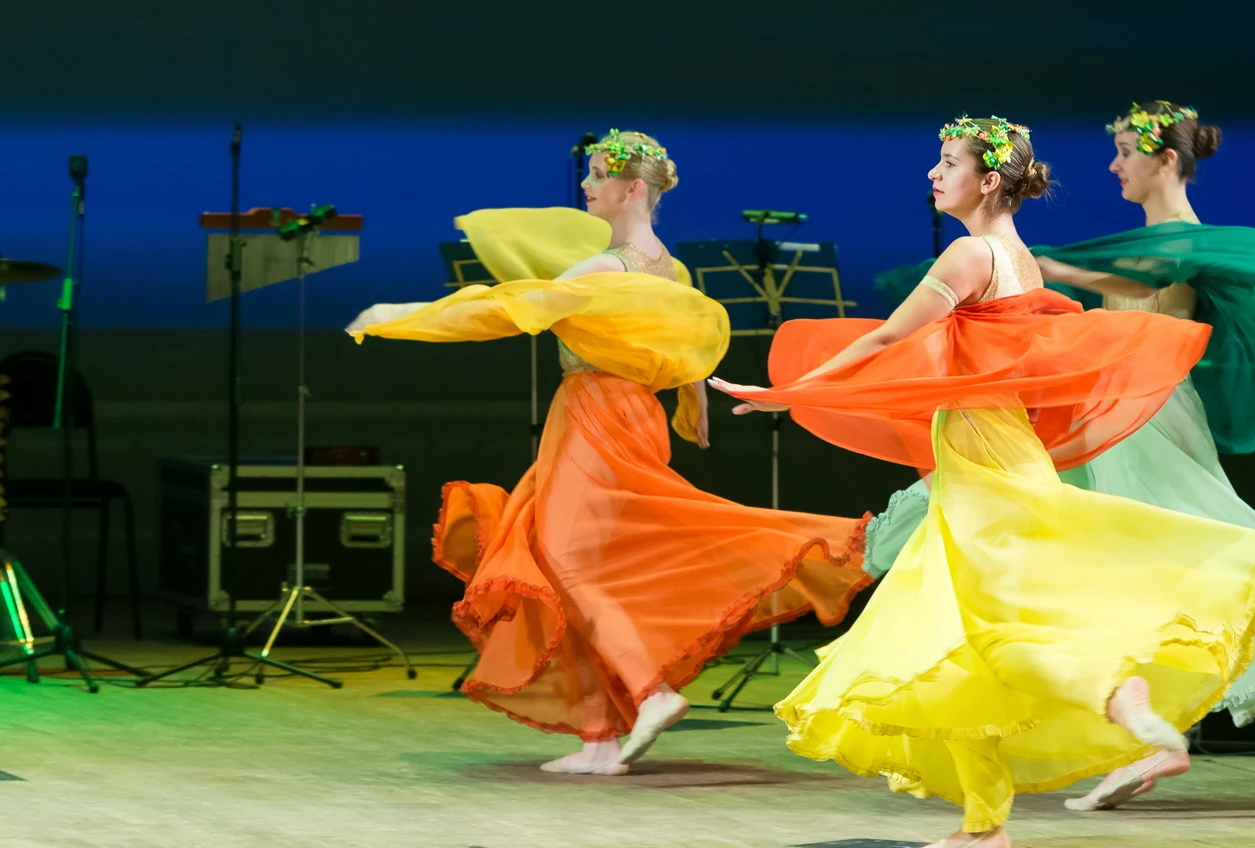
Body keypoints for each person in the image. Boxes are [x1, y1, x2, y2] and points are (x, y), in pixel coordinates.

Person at [711, 116, 1255, 848]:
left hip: (982, 458)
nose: (932, 173)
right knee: (959, 637)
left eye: (947, 162)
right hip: (995, 450)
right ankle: (983, 822)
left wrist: (788, 392)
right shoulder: (1018, 259)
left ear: (986, 181)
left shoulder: (970, 252)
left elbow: (886, 337)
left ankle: (1117, 697)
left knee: (989, 628)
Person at [348, 130, 871, 775]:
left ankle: (650, 691)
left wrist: (397, 315)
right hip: (634, 415)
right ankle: (598, 738)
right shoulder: (669, 269)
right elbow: (683, 349)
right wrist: (691, 410)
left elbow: (508, 308)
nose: (586, 185)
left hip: (592, 413)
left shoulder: (604, 269)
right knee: (569, 562)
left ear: (633, 189)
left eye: (598, 175)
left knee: (569, 564)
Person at [1030, 101, 1255, 809]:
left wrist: (1048, 266)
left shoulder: (1185, 243)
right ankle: (1145, 737)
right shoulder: (1148, 243)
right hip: (1118, 411)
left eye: (1126, 151)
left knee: (1166, 555)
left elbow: (1142, 289)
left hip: (1148, 416)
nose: (1113, 164)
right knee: (1127, 570)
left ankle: (1159, 729)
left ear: (1166, 160)